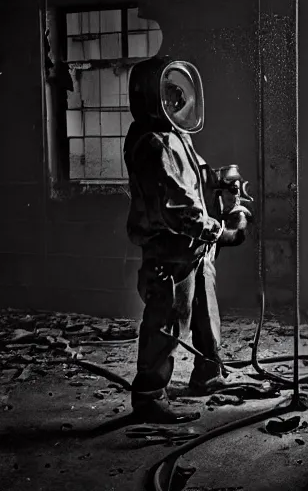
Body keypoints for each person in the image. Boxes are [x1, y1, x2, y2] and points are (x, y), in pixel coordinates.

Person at [122, 56, 250, 423]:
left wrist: (219, 179)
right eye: (169, 97)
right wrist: (222, 232)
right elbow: (179, 209)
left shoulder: (173, 135)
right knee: (165, 320)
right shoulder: (152, 144)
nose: (177, 103)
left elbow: (194, 171)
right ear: (151, 98)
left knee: (205, 312)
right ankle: (149, 395)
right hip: (169, 246)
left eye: (178, 96)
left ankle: (209, 374)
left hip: (193, 248)